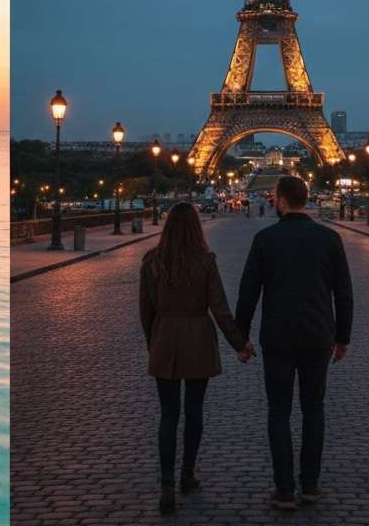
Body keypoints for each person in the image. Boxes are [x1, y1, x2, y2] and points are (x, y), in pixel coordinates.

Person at [235, 175, 354, 510]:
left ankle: (284, 489)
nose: (273, 201)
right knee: (314, 409)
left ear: (283, 201)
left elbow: (248, 293)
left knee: (278, 411)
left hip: (277, 337)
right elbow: (344, 294)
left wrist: (240, 338)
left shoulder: (265, 239)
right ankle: (311, 485)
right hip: (318, 336)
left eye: (274, 197)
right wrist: (343, 338)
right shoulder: (330, 239)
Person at [139, 202, 254, 514]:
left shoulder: (152, 261)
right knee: (194, 412)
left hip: (165, 338)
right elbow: (220, 308)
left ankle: (166, 484)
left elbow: (145, 312)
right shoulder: (205, 261)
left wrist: (154, 343)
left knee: (168, 416)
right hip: (198, 339)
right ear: (195, 227)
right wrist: (240, 343)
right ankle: (187, 474)